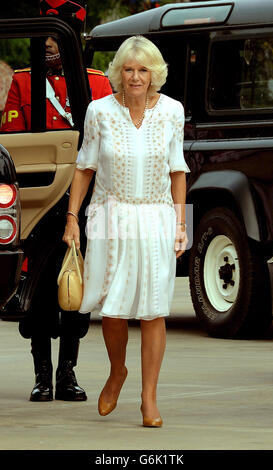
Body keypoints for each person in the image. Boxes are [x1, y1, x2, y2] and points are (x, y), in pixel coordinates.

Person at [63, 35, 190, 426]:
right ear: (119, 73)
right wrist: (72, 218)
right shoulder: (98, 111)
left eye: (143, 70)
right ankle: (117, 372)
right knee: (114, 308)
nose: (136, 77)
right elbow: (85, 166)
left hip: (155, 217)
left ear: (155, 73)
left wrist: (181, 223)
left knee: (153, 310)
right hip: (108, 216)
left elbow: (178, 170)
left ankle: (149, 400)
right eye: (129, 69)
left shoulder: (172, 111)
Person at [1, 1, 112, 402]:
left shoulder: (98, 83)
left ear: (74, 36)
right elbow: (13, 145)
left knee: (76, 290)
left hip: (83, 202)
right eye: (46, 35)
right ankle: (41, 374)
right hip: (41, 199)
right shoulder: (24, 81)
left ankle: (68, 373)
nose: (49, 43)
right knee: (42, 288)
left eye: (57, 34)